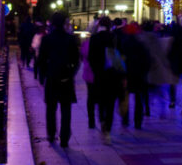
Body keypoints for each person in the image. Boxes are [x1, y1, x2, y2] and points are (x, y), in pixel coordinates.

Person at [35, 12, 80, 148]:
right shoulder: (70, 39)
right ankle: (65, 137)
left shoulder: (47, 39)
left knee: (51, 108)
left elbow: (41, 60)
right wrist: (71, 74)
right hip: (66, 79)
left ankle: (51, 134)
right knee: (66, 109)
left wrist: (43, 76)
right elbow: (76, 61)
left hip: (52, 78)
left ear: (52, 23)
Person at [87, 15, 124, 143]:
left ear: (99, 25)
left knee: (100, 102)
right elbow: (119, 56)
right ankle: (107, 130)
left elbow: (91, 57)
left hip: (99, 75)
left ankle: (102, 121)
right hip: (112, 75)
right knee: (110, 104)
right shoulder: (114, 38)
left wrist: (96, 70)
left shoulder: (94, 38)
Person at [119, 22, 151, 129]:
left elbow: (120, 59)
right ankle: (138, 121)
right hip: (139, 75)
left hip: (127, 74)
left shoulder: (123, 43)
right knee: (138, 99)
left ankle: (125, 119)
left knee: (125, 97)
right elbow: (147, 60)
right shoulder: (140, 44)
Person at [140, 20, 173, 117]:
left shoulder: (141, 38)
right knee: (157, 89)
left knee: (145, 91)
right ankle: (162, 109)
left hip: (145, 67)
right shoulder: (156, 38)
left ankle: (146, 108)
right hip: (155, 67)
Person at [81, 18, 99, 130]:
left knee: (90, 97)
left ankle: (91, 119)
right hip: (100, 74)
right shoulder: (105, 42)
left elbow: (82, 57)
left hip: (88, 73)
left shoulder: (86, 44)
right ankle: (101, 117)